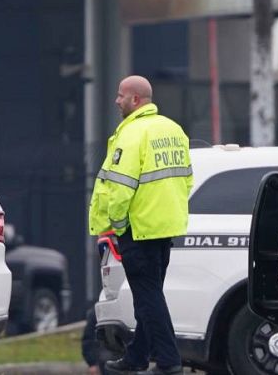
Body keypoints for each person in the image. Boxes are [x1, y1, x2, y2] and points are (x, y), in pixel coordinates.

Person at [89, 76, 193, 375]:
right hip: (164, 227)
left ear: (135, 100)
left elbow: (120, 188)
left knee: (148, 300)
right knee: (149, 297)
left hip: (138, 228)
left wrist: (119, 224)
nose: (116, 101)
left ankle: (169, 362)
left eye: (121, 95)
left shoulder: (133, 134)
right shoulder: (173, 129)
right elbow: (186, 179)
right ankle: (136, 357)